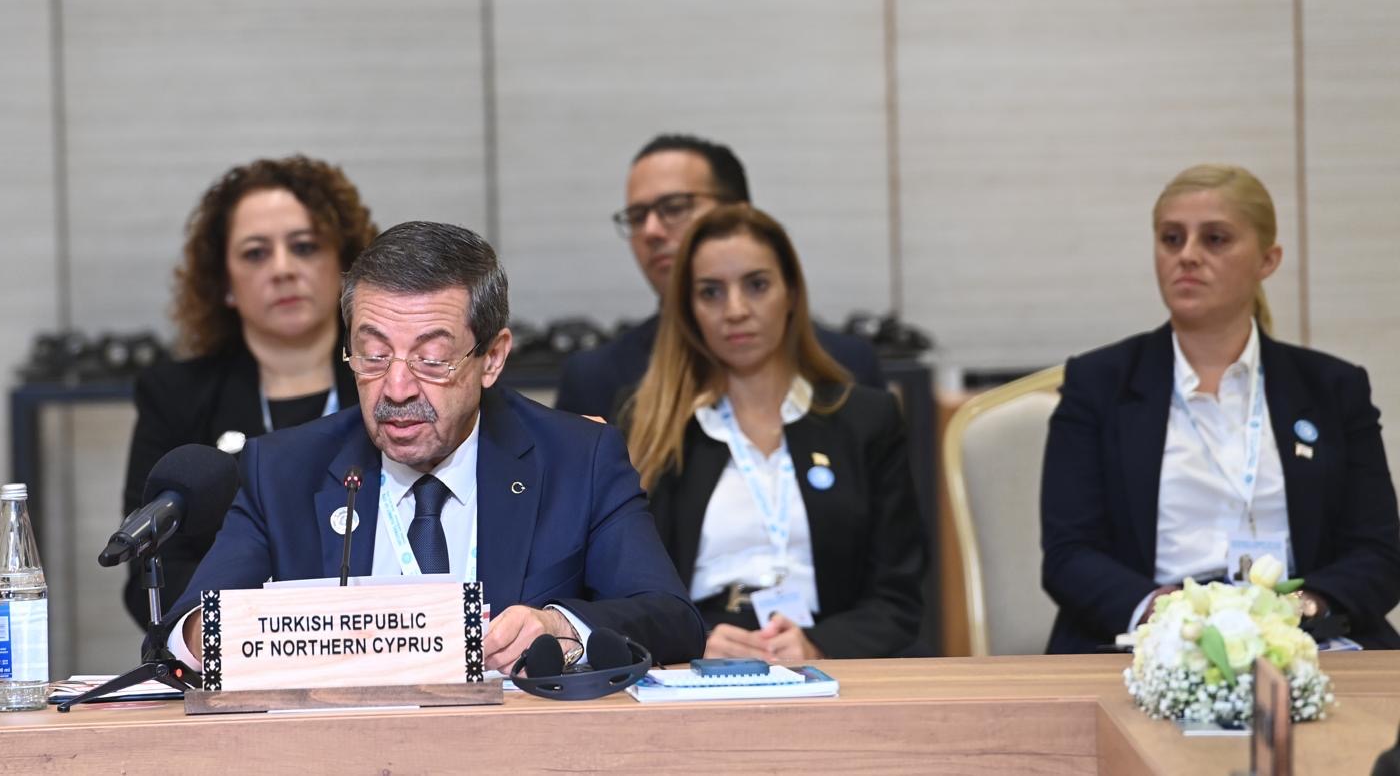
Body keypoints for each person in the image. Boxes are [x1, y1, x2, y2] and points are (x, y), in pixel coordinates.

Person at [161, 221, 706, 673]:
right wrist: (273, 634)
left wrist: (559, 627)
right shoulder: (284, 470)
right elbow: (181, 634)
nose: (397, 388)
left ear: (492, 358)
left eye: (432, 360)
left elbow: (671, 618)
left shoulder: (576, 459)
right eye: (373, 356)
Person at [1041, 164, 1400, 653]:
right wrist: (1168, 613)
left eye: (1215, 239)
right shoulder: (1099, 384)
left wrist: (1301, 609)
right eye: (1171, 239)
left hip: (1306, 639)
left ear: (1267, 260)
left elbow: (1378, 551)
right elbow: (1069, 554)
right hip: (1150, 640)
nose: (1187, 255)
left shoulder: (1333, 388)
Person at [620, 204, 924, 660]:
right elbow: (617, 594)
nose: (736, 310)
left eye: (757, 285)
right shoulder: (647, 425)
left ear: (792, 294)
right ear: (689, 309)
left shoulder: (866, 419)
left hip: (832, 658)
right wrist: (691, 643)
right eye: (711, 292)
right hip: (697, 661)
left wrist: (819, 645)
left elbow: (898, 597)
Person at [120, 155, 377, 627]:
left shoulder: (391, 382)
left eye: (304, 246)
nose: (282, 269)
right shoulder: (175, 396)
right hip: (238, 648)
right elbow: (155, 567)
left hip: (380, 635)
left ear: (345, 266)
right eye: (256, 253)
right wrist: (255, 629)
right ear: (225, 283)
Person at [554, 134, 886, 419]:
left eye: (675, 207)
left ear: (739, 214)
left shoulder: (847, 367)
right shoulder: (595, 380)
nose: (651, 231)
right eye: (637, 216)